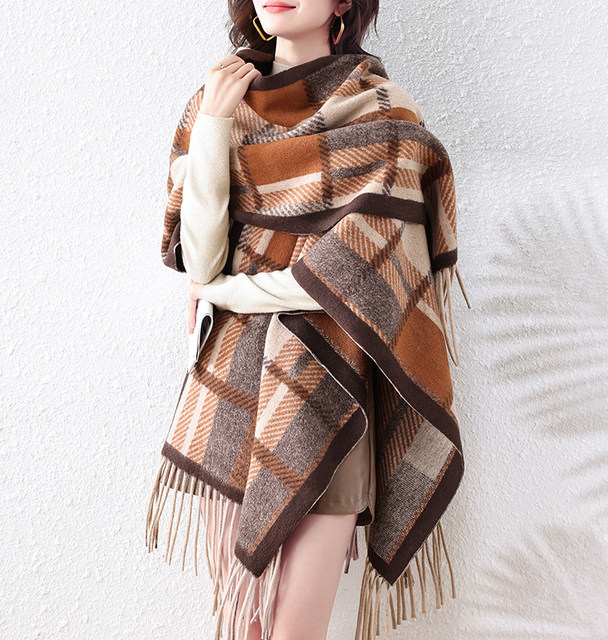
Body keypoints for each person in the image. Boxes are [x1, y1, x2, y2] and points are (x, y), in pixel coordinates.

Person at [176, 2, 381, 639]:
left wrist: (227, 292)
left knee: (294, 633)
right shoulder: (219, 99)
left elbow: (346, 280)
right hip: (230, 392)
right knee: (242, 629)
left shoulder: (378, 113)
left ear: (344, 3)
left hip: (329, 392)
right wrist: (214, 123)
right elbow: (200, 258)